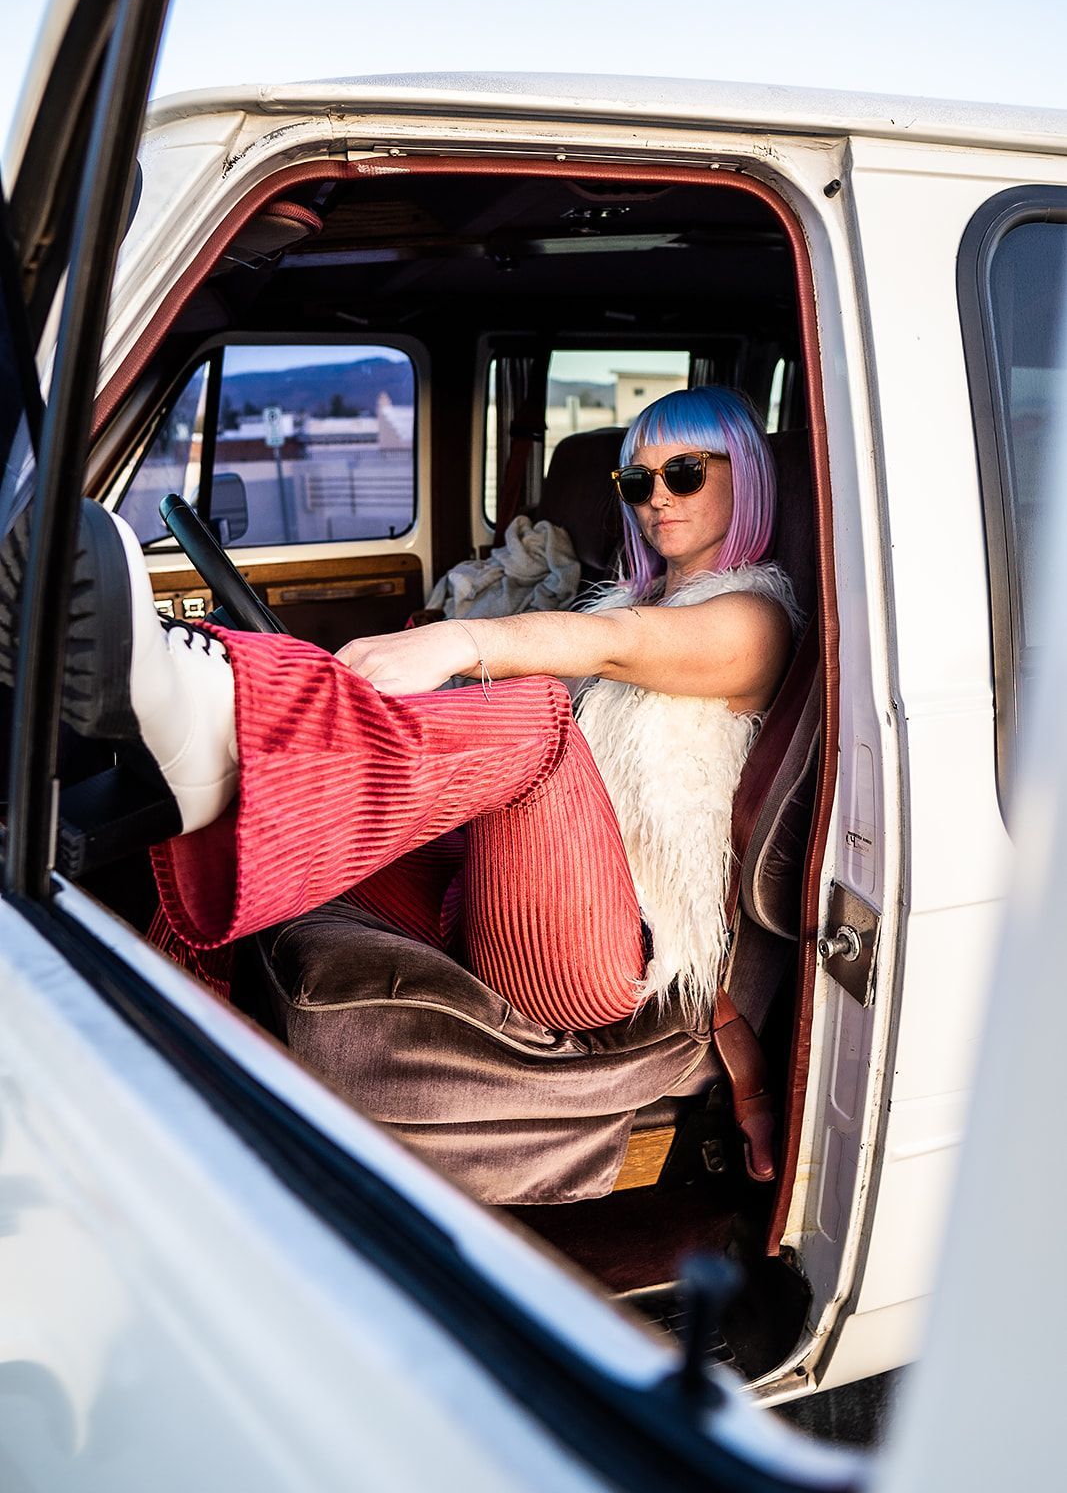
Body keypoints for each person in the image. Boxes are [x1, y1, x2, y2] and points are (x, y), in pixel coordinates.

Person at [0, 386, 799, 1037]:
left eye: (685, 472)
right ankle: (150, 1037)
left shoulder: (751, 620)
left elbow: (612, 643)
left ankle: (238, 713)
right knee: (249, 814)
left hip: (612, 951)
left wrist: (459, 642)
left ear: (747, 475)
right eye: (636, 480)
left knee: (538, 720)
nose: (656, 498)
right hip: (516, 894)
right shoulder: (636, 593)